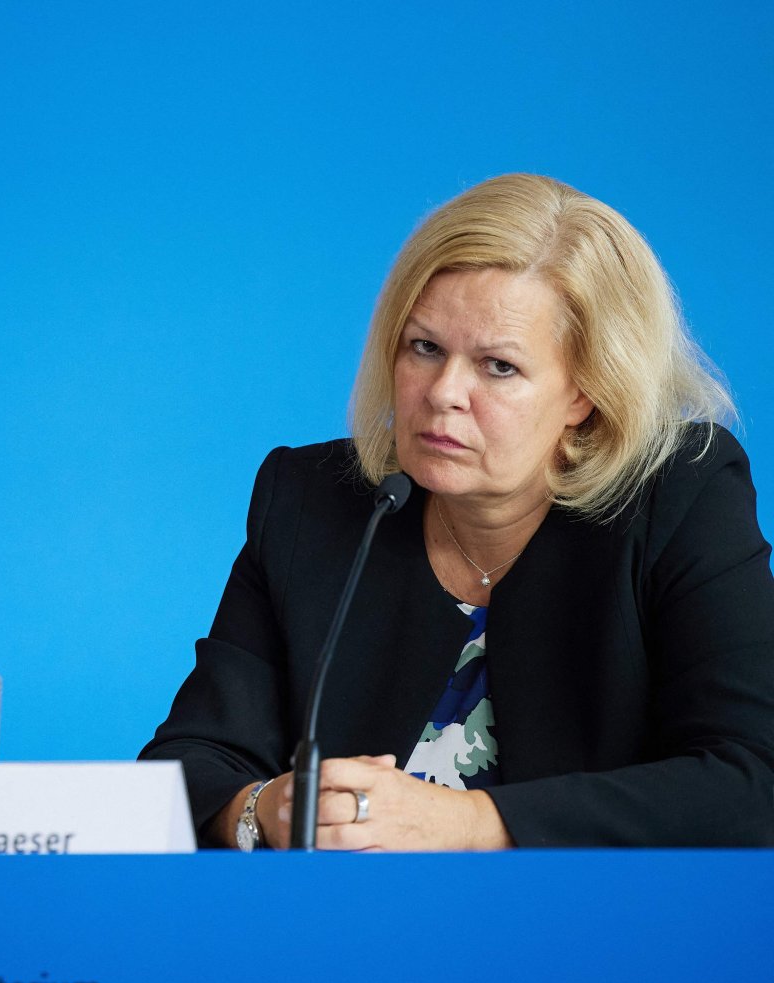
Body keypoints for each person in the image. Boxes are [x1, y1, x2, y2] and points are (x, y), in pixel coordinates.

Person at [140, 173, 774, 849]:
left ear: (584, 392)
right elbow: (185, 767)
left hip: (594, 939)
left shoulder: (678, 495)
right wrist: (263, 808)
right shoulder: (312, 501)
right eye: (425, 348)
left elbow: (752, 780)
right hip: (352, 935)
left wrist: (471, 821)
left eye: (498, 366)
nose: (444, 393)